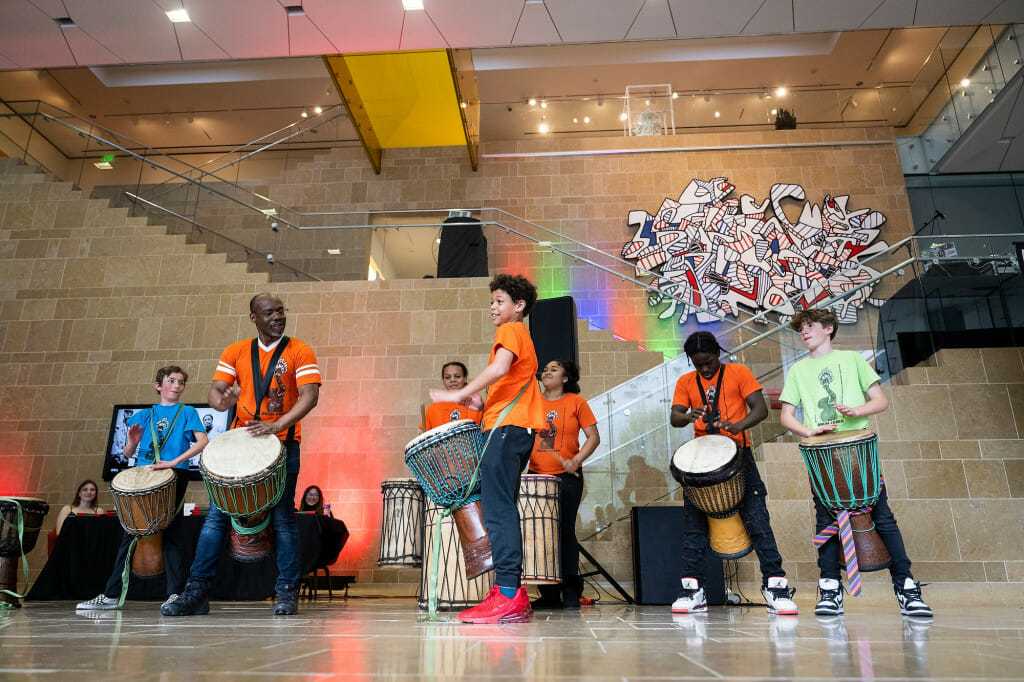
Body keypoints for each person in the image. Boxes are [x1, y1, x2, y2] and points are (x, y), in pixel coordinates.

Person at [162, 293, 321, 617]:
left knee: (283, 517)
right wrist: (224, 400)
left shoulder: (299, 350)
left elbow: (310, 396)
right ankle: (197, 591)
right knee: (217, 516)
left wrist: (277, 424)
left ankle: (286, 591)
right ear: (254, 318)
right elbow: (216, 396)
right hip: (239, 445)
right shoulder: (236, 352)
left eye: (280, 311)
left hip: (283, 445)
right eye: (269, 313)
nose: (277, 317)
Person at [779, 308, 932, 618]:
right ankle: (831, 590)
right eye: (800, 329)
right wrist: (810, 430)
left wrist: (855, 409)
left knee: (883, 518)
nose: (804, 332)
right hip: (822, 455)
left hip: (857, 451)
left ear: (829, 328)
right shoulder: (797, 371)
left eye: (810, 326)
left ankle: (906, 587)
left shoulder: (852, 360)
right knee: (827, 521)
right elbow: (786, 416)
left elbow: (880, 401)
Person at [429, 273, 545, 624]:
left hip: (507, 430)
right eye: (492, 301)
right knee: (501, 507)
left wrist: (458, 393)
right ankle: (510, 590)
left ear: (518, 306)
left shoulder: (511, 330)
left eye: (500, 301)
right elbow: (509, 381)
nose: (494, 307)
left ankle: (507, 592)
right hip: (512, 427)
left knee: (497, 511)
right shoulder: (521, 335)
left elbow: (499, 367)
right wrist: (481, 406)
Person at [669, 331, 798, 615]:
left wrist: (738, 426)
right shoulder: (685, 382)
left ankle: (775, 585)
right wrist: (688, 415)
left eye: (709, 362)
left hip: (738, 455)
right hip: (701, 460)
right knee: (695, 527)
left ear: (718, 353)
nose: (704, 369)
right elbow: (675, 417)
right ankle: (693, 589)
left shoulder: (738, 372)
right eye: (698, 364)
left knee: (757, 520)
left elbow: (760, 409)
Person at [76, 366, 208, 611]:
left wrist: (176, 461)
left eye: (181, 382)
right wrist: (133, 443)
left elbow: (203, 441)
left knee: (172, 534)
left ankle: (175, 593)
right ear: (159, 385)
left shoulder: (187, 411)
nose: (177, 385)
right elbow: (127, 453)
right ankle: (111, 595)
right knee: (130, 533)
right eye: (172, 381)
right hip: (143, 476)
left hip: (172, 475)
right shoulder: (144, 415)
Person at [527, 359, 599, 611]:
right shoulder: (532, 402)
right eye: (545, 369)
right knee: (540, 534)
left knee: (564, 532)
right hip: (536, 476)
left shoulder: (576, 403)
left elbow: (593, 437)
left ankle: (570, 591)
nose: (546, 372)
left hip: (567, 477)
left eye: (553, 369)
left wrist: (576, 460)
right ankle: (548, 593)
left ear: (566, 378)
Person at [421, 361, 483, 431]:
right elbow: (423, 434)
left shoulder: (477, 404)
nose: (452, 380)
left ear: (465, 378)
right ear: (443, 381)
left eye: (457, 376)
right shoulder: (432, 408)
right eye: (447, 377)